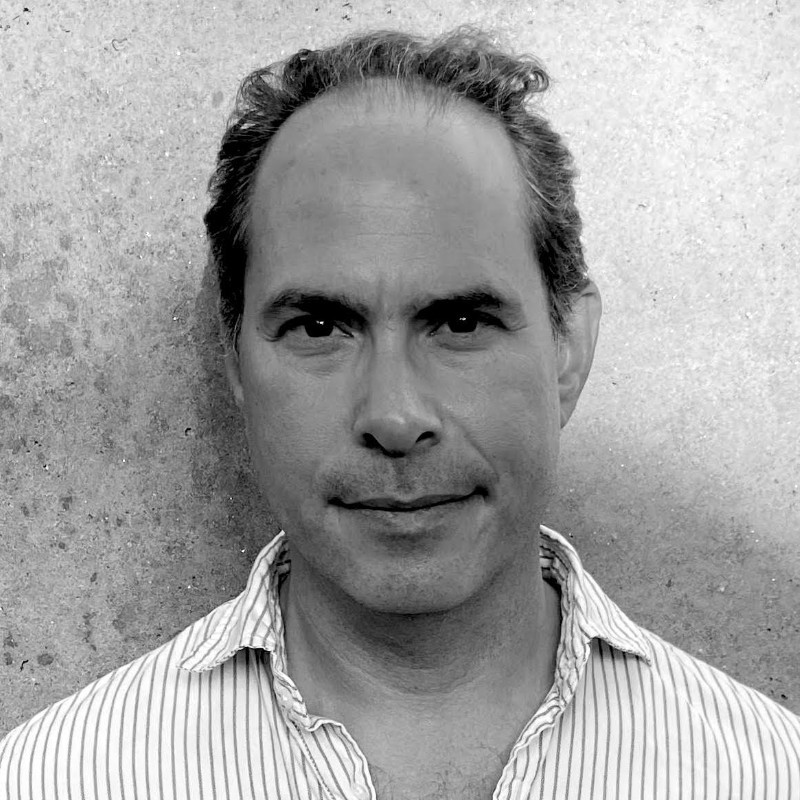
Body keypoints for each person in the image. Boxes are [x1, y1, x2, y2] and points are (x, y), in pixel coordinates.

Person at [1, 24, 798, 800]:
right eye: (320, 326)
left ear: (568, 347)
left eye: (460, 322)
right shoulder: (54, 780)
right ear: (233, 359)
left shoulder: (767, 776)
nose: (394, 415)